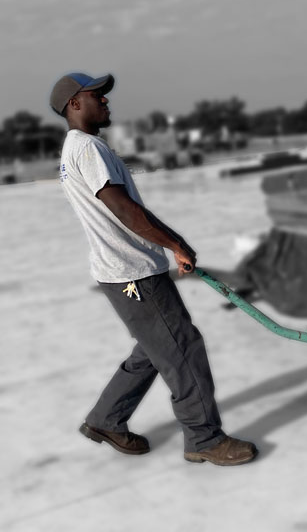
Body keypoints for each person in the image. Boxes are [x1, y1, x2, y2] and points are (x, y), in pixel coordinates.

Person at [51, 72, 257, 466]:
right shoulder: (88, 149)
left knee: (153, 348)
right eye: (98, 96)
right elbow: (125, 210)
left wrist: (167, 244)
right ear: (75, 104)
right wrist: (176, 243)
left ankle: (106, 420)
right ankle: (204, 438)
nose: (107, 102)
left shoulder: (76, 148)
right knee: (182, 349)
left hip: (122, 270)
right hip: (132, 272)